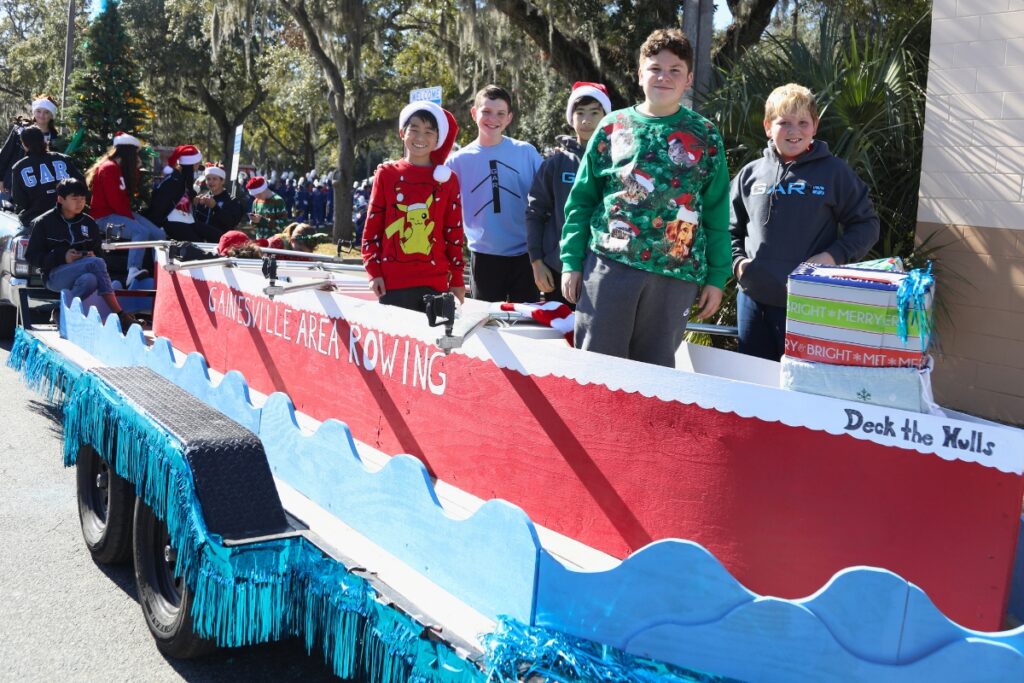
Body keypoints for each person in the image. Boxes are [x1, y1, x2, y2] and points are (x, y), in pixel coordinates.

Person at [560, 28, 730, 368]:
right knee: (597, 371)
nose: (664, 77)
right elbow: (582, 201)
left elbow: (715, 211)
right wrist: (570, 261)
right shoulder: (612, 126)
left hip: (675, 275)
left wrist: (717, 276)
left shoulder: (706, 135)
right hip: (610, 268)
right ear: (640, 75)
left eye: (675, 70)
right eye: (655, 68)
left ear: (689, 79)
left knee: (654, 379)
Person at [730, 83, 880, 361]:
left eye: (802, 122)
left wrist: (832, 256)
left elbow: (867, 225)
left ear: (815, 126)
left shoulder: (835, 173)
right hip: (752, 300)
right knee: (753, 387)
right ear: (767, 126)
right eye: (783, 122)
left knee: (799, 392)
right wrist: (738, 263)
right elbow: (728, 230)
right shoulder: (750, 175)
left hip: (809, 304)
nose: (793, 131)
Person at [361, 101, 465, 311]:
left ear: (438, 138)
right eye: (414, 129)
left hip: (436, 282)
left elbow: (454, 232)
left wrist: (456, 278)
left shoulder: (448, 180)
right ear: (402, 133)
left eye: (429, 132)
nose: (420, 137)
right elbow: (372, 229)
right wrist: (374, 271)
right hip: (393, 283)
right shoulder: (387, 174)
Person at [445, 84, 542, 303]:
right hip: (484, 257)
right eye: (486, 112)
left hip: (525, 257)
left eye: (500, 113)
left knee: (527, 325)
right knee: (486, 324)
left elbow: (548, 195)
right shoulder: (457, 162)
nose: (492, 119)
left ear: (509, 118)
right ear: (474, 113)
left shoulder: (526, 152)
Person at [525, 82, 611, 305]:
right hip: (559, 269)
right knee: (560, 335)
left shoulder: (618, 162)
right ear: (570, 117)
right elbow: (535, 212)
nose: (586, 120)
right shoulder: (556, 163)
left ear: (606, 115)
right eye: (579, 112)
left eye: (594, 112)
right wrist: (537, 261)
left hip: (606, 269)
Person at [24, 178, 136, 330]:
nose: (80, 203)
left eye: (83, 199)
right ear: (60, 199)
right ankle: (120, 314)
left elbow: (100, 255)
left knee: (89, 279)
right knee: (95, 263)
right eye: (75, 198)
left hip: (82, 272)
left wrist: (90, 255)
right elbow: (31, 257)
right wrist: (62, 257)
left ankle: (60, 311)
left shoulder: (89, 223)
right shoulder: (44, 222)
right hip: (53, 276)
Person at [86, 131, 167, 286]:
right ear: (128, 152)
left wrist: (135, 170)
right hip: (104, 217)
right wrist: (133, 221)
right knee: (140, 231)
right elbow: (114, 201)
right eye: (135, 154)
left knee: (158, 234)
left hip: (119, 213)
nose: (137, 157)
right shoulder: (108, 168)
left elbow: (128, 192)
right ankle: (133, 271)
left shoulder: (117, 168)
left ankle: (159, 271)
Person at [144, 144, 221, 243]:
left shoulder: (183, 180)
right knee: (198, 245)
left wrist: (195, 200)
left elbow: (183, 201)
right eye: (197, 164)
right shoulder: (173, 181)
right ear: (190, 165)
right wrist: (159, 227)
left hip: (189, 221)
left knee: (219, 236)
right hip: (173, 223)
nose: (197, 168)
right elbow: (159, 206)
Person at [10, 125, 84, 226]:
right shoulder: (64, 159)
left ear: (24, 145)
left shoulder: (19, 168)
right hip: (67, 218)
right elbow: (82, 186)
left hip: (35, 220)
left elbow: (20, 200)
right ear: (44, 140)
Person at [0, 95, 61, 200]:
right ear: (34, 112)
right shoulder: (20, 131)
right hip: (12, 183)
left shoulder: (55, 138)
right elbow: (5, 155)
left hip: (37, 188)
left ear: (52, 115)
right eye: (39, 111)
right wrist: (1, 179)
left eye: (46, 112)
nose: (42, 115)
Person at [193, 163, 244, 233]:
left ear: (222, 181)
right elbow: (198, 221)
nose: (211, 182)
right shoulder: (203, 198)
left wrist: (215, 207)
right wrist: (195, 206)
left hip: (221, 240)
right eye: (208, 179)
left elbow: (230, 223)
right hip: (202, 241)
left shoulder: (232, 200)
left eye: (214, 179)